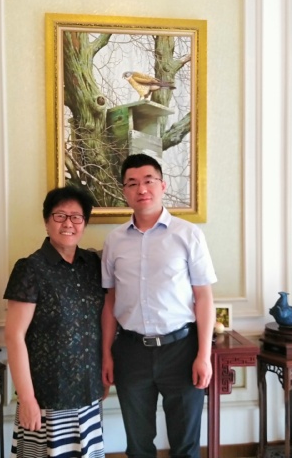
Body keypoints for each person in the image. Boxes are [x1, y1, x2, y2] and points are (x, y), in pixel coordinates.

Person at [101, 153, 217, 458]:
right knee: (138, 446)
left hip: (181, 349)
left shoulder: (188, 234)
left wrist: (203, 356)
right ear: (124, 191)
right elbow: (110, 299)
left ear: (162, 185)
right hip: (131, 352)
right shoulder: (114, 241)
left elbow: (204, 297)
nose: (141, 189)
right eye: (132, 183)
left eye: (148, 181)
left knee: (185, 446)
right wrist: (107, 354)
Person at [4, 186, 106, 458]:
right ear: (46, 221)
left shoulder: (92, 265)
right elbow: (14, 336)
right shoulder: (30, 268)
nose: (68, 224)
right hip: (46, 396)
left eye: (76, 217)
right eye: (60, 216)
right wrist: (27, 399)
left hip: (87, 392)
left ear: (85, 223)